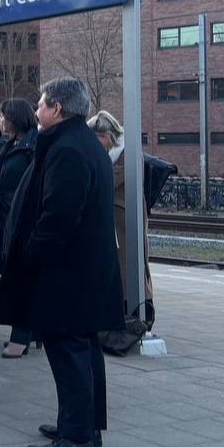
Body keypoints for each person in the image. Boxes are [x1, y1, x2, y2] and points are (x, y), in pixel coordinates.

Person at [0, 77, 123, 447]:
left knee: (67, 349)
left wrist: (33, 250)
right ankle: (84, 424)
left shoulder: (66, 149)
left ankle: (77, 437)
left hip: (66, 272)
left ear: (58, 109)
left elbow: (59, 215)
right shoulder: (82, 142)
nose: (36, 111)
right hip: (83, 270)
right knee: (84, 349)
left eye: (41, 104)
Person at [88, 110, 155, 324]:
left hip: (125, 218)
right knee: (119, 267)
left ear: (106, 135)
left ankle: (138, 312)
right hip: (115, 216)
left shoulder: (127, 152)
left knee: (129, 265)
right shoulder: (115, 153)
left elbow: (109, 180)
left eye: (95, 138)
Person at [0, 99, 39, 359]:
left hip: (22, 221)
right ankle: (28, 333)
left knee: (20, 280)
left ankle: (21, 336)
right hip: (8, 219)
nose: (2, 122)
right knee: (15, 277)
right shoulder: (12, 145)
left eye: (6, 117)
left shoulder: (32, 147)